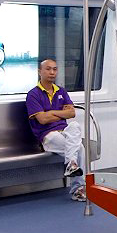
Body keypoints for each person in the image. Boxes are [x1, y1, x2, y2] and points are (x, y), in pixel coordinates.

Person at [26, 59, 86, 200]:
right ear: (40, 71)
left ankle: (71, 165)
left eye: (54, 69)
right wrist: (61, 113)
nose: (52, 72)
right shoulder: (33, 94)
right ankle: (78, 188)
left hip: (64, 131)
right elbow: (42, 119)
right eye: (48, 69)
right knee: (79, 148)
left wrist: (51, 113)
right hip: (47, 135)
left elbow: (71, 113)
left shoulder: (61, 91)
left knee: (74, 125)